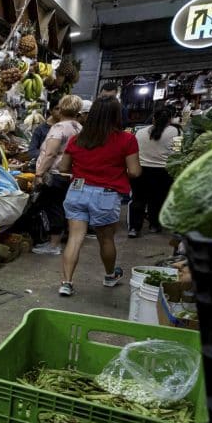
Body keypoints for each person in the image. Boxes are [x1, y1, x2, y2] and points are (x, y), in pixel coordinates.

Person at [57, 97, 141, 297]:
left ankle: (66, 283)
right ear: (117, 115)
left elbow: (63, 168)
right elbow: (135, 171)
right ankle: (110, 276)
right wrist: (115, 172)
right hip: (106, 194)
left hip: (77, 191)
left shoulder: (77, 139)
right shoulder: (126, 139)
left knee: (75, 238)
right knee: (105, 239)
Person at [32, 95, 84, 254]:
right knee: (62, 206)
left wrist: (39, 173)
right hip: (72, 174)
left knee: (53, 207)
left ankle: (54, 245)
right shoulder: (79, 127)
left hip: (56, 173)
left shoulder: (59, 127)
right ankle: (57, 241)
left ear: (61, 108)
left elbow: (51, 154)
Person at [128, 108, 178, 237]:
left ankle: (134, 228)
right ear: (170, 119)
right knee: (157, 200)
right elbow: (177, 152)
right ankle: (154, 225)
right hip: (163, 172)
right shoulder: (175, 131)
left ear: (153, 118)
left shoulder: (140, 132)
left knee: (138, 199)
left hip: (141, 170)